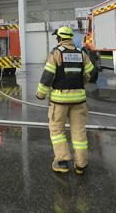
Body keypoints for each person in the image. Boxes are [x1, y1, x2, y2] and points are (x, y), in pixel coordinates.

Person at [36, 26, 95, 175]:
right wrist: (81, 82)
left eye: (57, 38)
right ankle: (81, 164)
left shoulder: (56, 53)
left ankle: (62, 162)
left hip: (59, 102)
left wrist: (40, 94)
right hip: (79, 101)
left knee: (57, 131)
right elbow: (91, 74)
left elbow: (47, 76)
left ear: (60, 38)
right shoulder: (81, 54)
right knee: (79, 132)